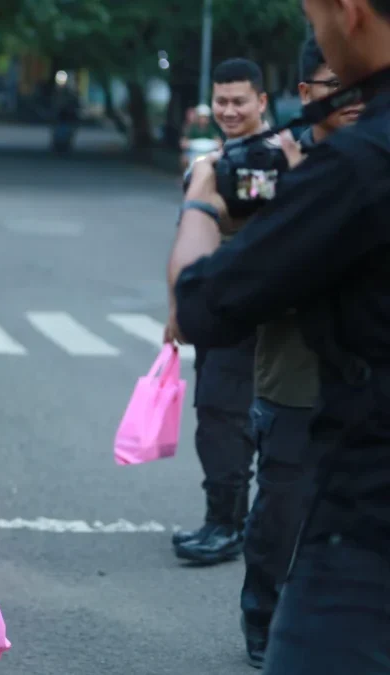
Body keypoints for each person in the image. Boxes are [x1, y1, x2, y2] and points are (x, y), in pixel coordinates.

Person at [167, 0, 390, 669]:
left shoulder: (359, 164)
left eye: (313, 14)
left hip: (367, 517)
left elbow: (203, 304)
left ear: (348, 12)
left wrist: (204, 193)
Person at [236, 35, 365, 668]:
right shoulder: (275, 169)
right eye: (332, 86)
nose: (352, 100)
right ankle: (261, 615)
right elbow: (245, 276)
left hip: (363, 389)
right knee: (280, 516)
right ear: (304, 95)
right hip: (290, 381)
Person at [168, 59, 265, 567]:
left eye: (239, 101)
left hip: (269, 315)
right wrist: (176, 309)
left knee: (246, 420)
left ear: (262, 102)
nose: (229, 110)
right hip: (221, 313)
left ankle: (235, 525)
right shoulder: (209, 163)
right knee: (217, 419)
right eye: (222, 101)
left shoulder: (284, 158)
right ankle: (226, 520)